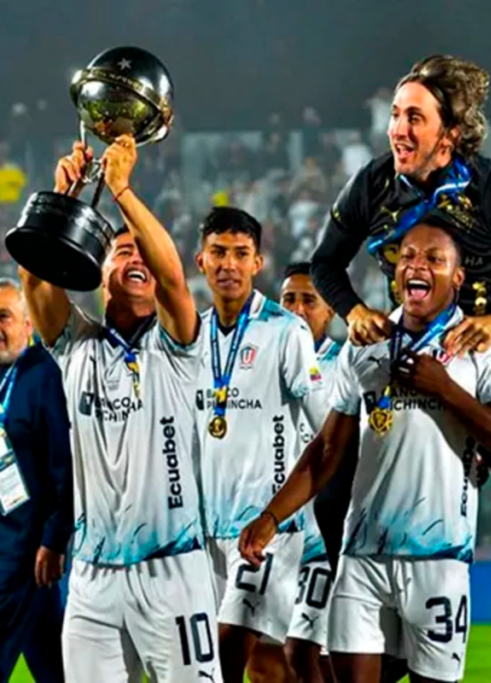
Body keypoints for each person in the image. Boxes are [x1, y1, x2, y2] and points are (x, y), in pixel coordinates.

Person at [310, 54, 491, 671]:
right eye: (394, 115)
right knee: (331, 499)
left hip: (481, 358)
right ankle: (371, 620)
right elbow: (326, 264)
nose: (397, 129)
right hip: (399, 353)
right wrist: (352, 310)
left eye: (414, 118)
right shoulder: (372, 182)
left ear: (449, 135)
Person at [240, 222, 491, 683]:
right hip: (362, 557)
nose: (417, 265)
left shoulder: (484, 348)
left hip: (439, 559)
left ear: (458, 277)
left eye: (434, 259)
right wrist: (271, 516)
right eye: (409, 256)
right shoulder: (366, 342)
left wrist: (447, 391)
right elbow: (328, 447)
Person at [21, 137, 221, 682]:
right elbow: (35, 278)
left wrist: (122, 191)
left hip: (173, 571)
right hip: (92, 581)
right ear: (99, 270)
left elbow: (176, 279)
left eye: (143, 252)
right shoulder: (75, 345)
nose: (136, 257)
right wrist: (66, 196)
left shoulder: (180, 345)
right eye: (122, 250)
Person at [193, 208, 328, 683]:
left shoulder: (286, 332)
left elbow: (327, 433)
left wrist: (278, 513)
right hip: (203, 533)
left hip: (267, 535)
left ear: (258, 263)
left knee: (224, 657)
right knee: (263, 667)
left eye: (240, 254)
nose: (228, 263)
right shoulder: (190, 336)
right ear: (200, 261)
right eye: (218, 253)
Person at [0, 278, 73, 683]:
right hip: (10, 548)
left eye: (4, 317)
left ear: (29, 325)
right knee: (55, 666)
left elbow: (64, 464)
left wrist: (53, 537)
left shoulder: (43, 375)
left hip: (29, 553)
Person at [279, 261, 343, 683]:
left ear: (330, 311)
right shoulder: (263, 358)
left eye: (309, 300)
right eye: (288, 299)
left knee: (309, 654)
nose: (297, 309)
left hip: (324, 532)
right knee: (266, 661)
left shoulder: (347, 365)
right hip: (273, 534)